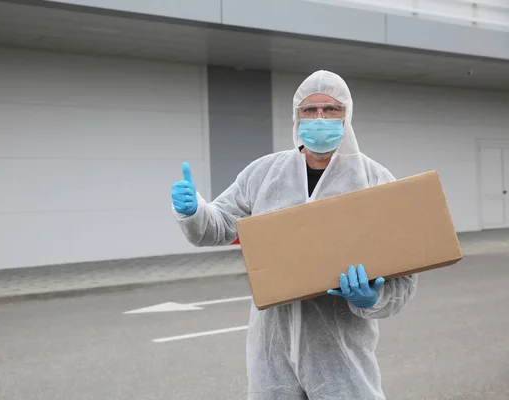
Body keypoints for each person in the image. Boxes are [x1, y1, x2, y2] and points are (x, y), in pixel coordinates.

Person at [170, 70, 418, 399]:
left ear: (347, 116)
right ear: (296, 118)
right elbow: (219, 226)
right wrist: (194, 212)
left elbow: (405, 275)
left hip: (341, 356)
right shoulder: (264, 174)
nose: (319, 118)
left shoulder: (375, 181)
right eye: (309, 110)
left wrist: (372, 298)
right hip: (271, 353)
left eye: (331, 110)